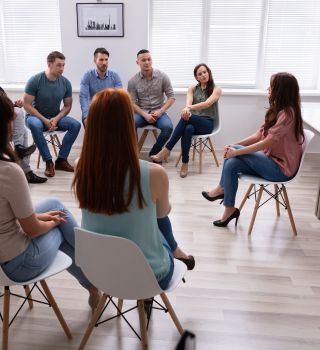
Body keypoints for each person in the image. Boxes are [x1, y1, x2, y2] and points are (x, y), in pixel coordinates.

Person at [72, 88, 195, 291]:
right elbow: (163, 214)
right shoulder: (154, 174)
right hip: (149, 275)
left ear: (92, 124)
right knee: (157, 221)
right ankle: (176, 251)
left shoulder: (80, 165)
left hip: (98, 271)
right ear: (128, 124)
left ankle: (175, 250)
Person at [0, 93, 101, 312]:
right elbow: (33, 230)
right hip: (16, 264)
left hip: (6, 243)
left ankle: (94, 279)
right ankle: (95, 278)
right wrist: (52, 223)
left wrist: (44, 217)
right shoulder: (8, 172)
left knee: (54, 205)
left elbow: (8, 215)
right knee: (62, 225)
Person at [202, 72, 304, 227]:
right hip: (270, 161)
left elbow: (267, 143)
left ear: (281, 90)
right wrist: (234, 145)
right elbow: (258, 136)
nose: (269, 88)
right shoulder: (278, 109)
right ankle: (229, 209)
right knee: (231, 164)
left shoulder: (288, 114)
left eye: (272, 85)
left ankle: (221, 189)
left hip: (280, 169)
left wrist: (236, 151)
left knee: (234, 154)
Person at [151, 63, 222, 177]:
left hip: (207, 124)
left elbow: (207, 104)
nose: (203, 75)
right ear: (196, 77)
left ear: (208, 72)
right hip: (192, 121)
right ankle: (185, 163)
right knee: (188, 128)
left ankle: (167, 149)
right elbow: (188, 102)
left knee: (187, 118)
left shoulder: (216, 89)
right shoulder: (192, 88)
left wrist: (188, 108)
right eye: (200, 74)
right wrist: (187, 108)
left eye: (205, 72)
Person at [24, 51, 81, 178]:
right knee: (35, 124)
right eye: (59, 65)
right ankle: (49, 162)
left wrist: (56, 119)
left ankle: (61, 160)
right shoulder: (35, 80)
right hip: (35, 117)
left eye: (63, 65)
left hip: (55, 118)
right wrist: (45, 120)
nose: (62, 69)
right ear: (49, 65)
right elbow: (26, 105)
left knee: (75, 125)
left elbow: (67, 106)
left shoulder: (66, 83)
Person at [127, 49, 174, 159]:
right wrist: (145, 115)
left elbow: (171, 97)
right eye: (143, 60)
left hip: (160, 112)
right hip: (142, 113)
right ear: (138, 62)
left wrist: (160, 111)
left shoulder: (163, 76)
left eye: (149, 59)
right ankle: (133, 154)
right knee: (130, 123)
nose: (147, 62)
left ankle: (154, 153)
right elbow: (132, 103)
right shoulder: (132, 81)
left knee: (168, 127)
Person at [0, 87, 47, 184]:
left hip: (4, 124)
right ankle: (26, 171)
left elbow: (4, 107)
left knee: (22, 125)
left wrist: (14, 105)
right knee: (20, 120)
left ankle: (19, 148)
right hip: (3, 126)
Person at [80, 47, 122, 126]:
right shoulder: (87, 76)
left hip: (110, 111)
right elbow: (83, 97)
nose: (104, 63)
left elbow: (119, 97)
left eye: (106, 60)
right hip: (93, 111)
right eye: (101, 60)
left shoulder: (115, 76)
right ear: (95, 61)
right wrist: (86, 116)